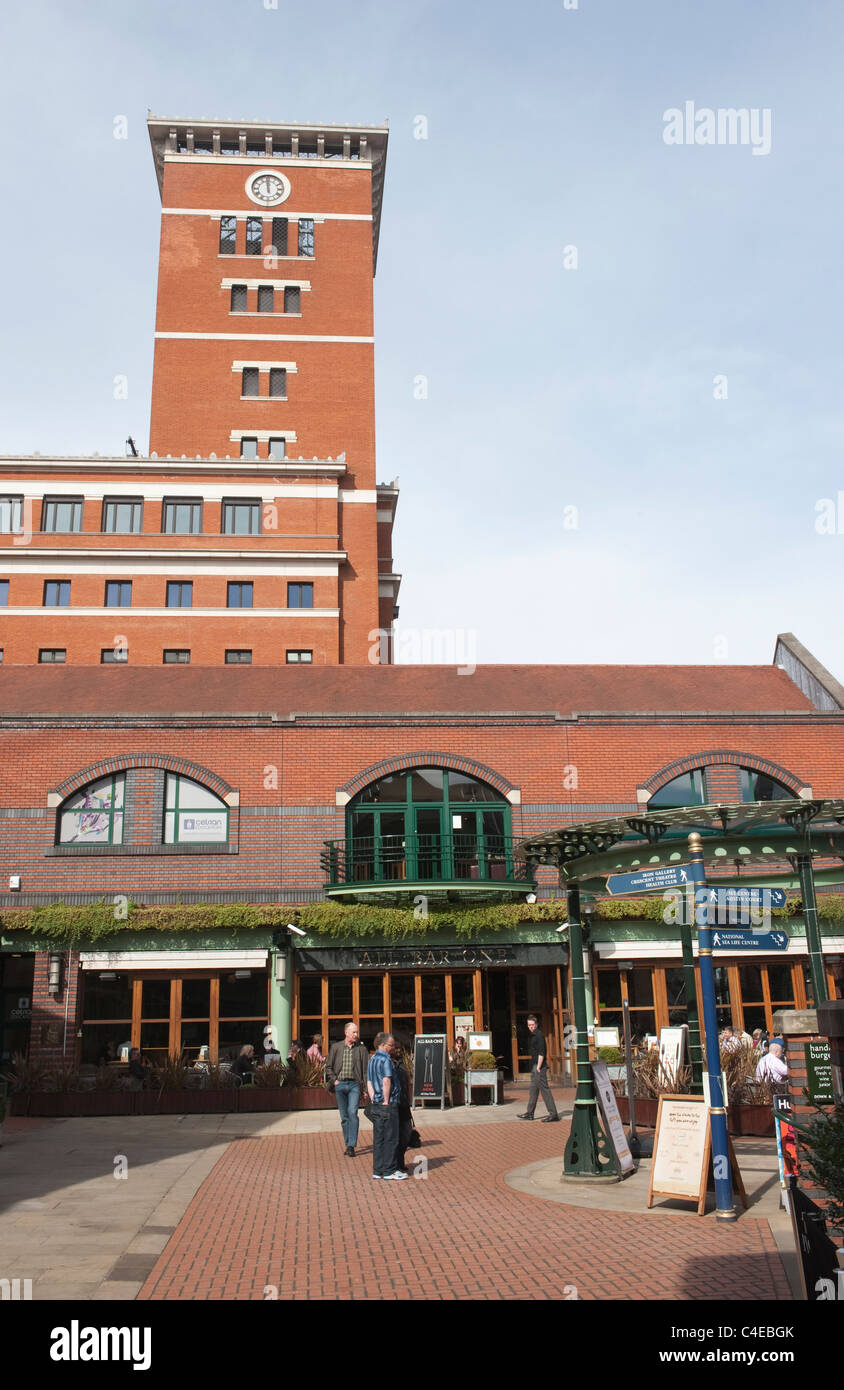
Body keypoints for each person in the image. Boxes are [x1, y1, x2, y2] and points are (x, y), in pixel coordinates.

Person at [367, 1032, 407, 1180]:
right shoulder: (386, 1061)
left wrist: (373, 1098)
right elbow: (386, 1081)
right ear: (383, 1045)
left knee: (379, 1138)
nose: (393, 1048)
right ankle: (390, 1170)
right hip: (388, 1104)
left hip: (376, 1103)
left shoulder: (372, 1059)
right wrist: (386, 1100)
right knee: (391, 1137)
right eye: (391, 1045)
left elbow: (369, 1081)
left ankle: (378, 1170)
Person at [325, 1022, 369, 1156]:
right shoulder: (336, 1047)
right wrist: (335, 1081)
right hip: (340, 1085)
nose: (356, 1034)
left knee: (352, 1112)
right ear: (346, 1033)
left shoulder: (361, 1049)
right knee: (344, 1116)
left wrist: (365, 1089)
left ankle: (351, 1145)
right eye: (353, 1032)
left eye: (357, 1032)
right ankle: (348, 1143)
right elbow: (328, 1067)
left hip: (355, 1085)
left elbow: (365, 1071)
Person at [518, 1015, 560, 1122]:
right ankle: (530, 1113)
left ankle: (553, 1114)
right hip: (535, 1066)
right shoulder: (533, 1035)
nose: (531, 1027)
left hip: (539, 1067)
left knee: (545, 1090)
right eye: (529, 1025)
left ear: (536, 1024)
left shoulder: (539, 1035)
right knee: (533, 1090)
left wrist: (538, 1067)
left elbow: (542, 1052)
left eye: (532, 1025)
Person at [390, 1038, 414, 1174]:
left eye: (400, 1048)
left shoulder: (402, 1063)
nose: (398, 1050)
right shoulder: (389, 1063)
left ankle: (400, 1160)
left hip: (404, 1104)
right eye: (396, 1048)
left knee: (406, 1133)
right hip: (394, 1104)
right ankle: (397, 1163)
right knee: (396, 1136)